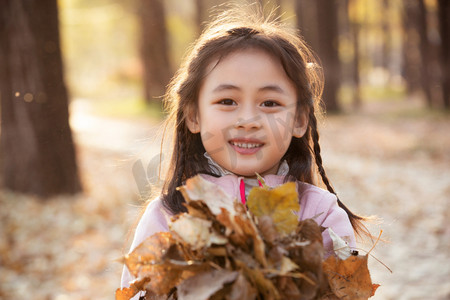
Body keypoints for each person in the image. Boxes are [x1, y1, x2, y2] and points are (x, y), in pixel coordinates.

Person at [121, 4, 368, 292]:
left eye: (270, 103)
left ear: (300, 120)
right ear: (193, 115)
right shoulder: (169, 217)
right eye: (227, 101)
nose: (248, 121)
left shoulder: (321, 215)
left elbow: (344, 292)